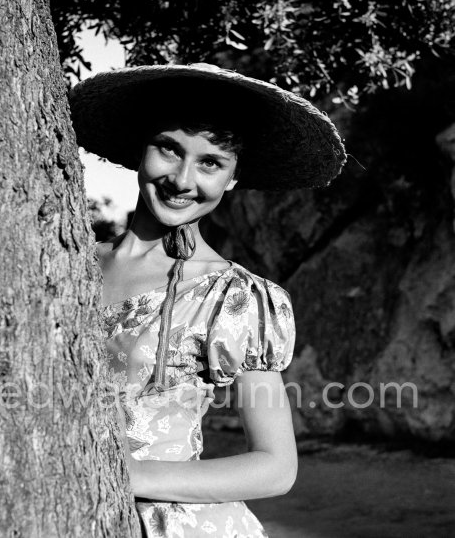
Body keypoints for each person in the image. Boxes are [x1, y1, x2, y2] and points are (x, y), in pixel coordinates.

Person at [69, 63, 346, 537]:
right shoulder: (65, 258)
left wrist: (123, 475)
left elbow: (275, 467)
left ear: (233, 178)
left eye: (210, 163)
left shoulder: (236, 299)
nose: (181, 179)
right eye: (169, 149)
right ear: (142, 148)